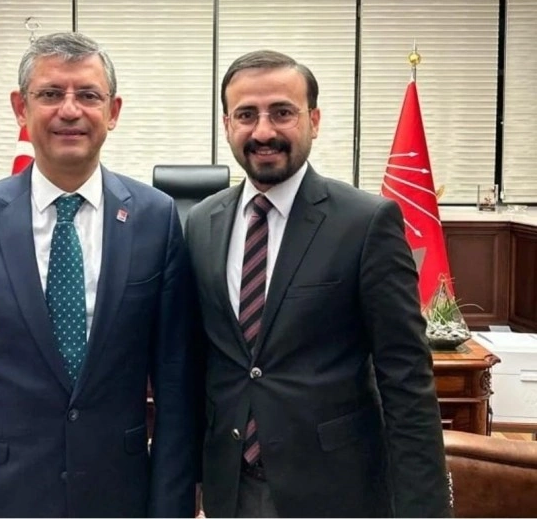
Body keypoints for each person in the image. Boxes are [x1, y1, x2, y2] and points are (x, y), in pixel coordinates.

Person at [0, 32, 198, 518]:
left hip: (118, 497)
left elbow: (175, 390)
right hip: (0, 498)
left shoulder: (156, 218)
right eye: (49, 94)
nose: (69, 110)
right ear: (20, 108)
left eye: (88, 95)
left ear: (113, 111)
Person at [186, 50, 451, 518]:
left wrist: (423, 511)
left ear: (313, 120)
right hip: (231, 488)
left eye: (282, 113)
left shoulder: (366, 223)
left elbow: (406, 380)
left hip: (336, 491)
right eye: (246, 115)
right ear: (226, 125)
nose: (263, 131)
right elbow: (201, 364)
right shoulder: (202, 222)